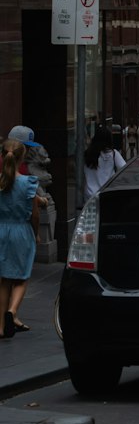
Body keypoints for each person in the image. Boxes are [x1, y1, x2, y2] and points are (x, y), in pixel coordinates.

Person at [0, 138, 40, 337]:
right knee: (21, 277)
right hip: (21, 232)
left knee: (4, 280)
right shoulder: (27, 183)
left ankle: (0, 326)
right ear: (21, 158)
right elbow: (35, 214)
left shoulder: (0, 183)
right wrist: (36, 233)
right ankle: (12, 310)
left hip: (1, 231)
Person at [8, 125, 56, 257]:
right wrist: (35, 235)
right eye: (26, 147)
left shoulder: (22, 166)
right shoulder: (17, 167)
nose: (28, 150)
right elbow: (34, 212)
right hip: (17, 227)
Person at [84, 126, 126, 197]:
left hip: (90, 195)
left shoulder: (86, 154)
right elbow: (124, 169)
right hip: (108, 193)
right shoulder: (113, 154)